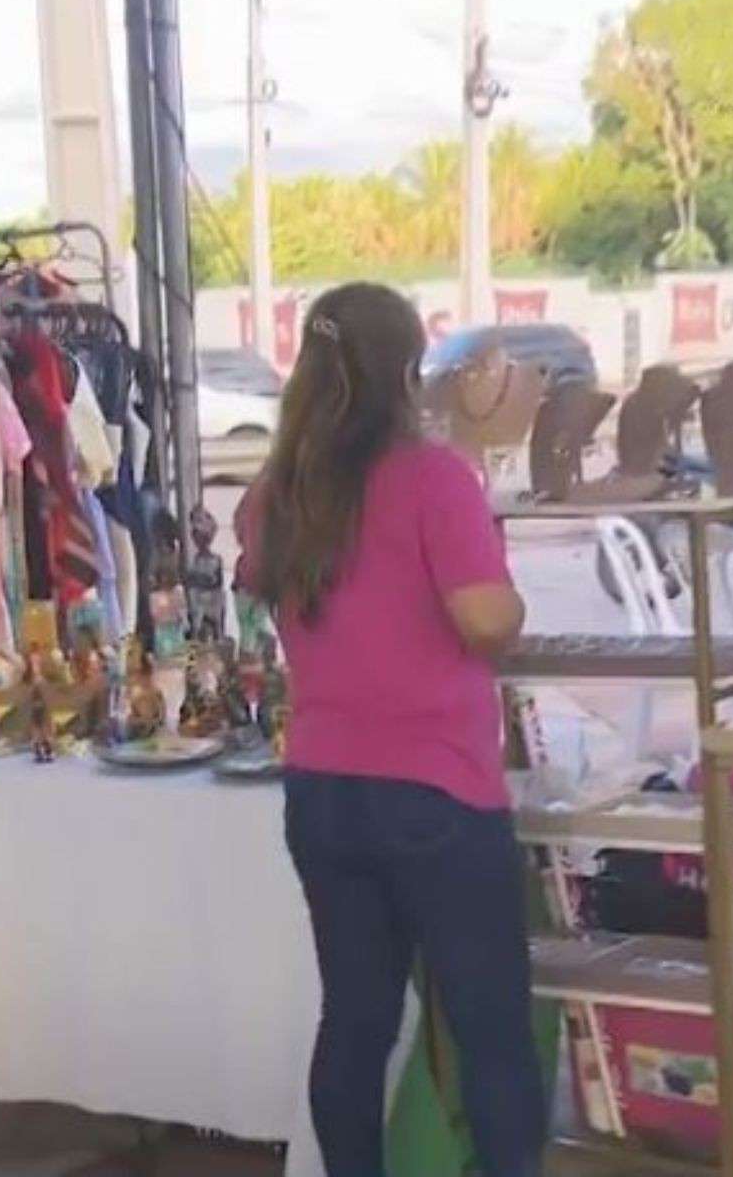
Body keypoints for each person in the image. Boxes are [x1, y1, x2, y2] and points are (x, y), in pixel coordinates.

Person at [240, 282, 546, 1177]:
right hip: (437, 791)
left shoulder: (274, 493)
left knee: (356, 1022)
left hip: (323, 789)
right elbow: (486, 619)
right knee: (490, 1028)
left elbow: (273, 589)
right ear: (408, 369)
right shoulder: (432, 478)